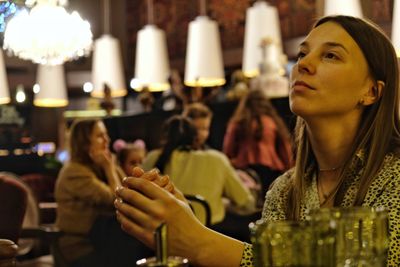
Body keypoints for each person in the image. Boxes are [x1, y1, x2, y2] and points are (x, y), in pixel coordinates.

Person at [114, 15, 400, 266]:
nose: (303, 65)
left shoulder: (393, 177)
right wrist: (183, 222)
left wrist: (198, 240)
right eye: (302, 54)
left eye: (331, 56)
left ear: (372, 91)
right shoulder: (285, 190)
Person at [55, 119, 168, 267]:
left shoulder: (99, 166)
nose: (107, 140)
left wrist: (111, 166)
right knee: (138, 245)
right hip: (81, 246)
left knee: (146, 239)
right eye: (100, 136)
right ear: (84, 142)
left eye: (106, 135)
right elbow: (118, 200)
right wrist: (109, 167)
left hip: (106, 241)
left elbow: (128, 190)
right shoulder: (74, 172)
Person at [141, 115, 255, 225]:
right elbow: (246, 203)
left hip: (163, 236)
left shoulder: (153, 158)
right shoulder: (216, 159)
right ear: (195, 137)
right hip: (208, 234)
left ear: (164, 138)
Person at [223, 89, 293, 195]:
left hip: (246, 169)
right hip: (272, 171)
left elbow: (228, 150)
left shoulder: (238, 122)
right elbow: (285, 149)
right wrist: (290, 170)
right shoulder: (273, 122)